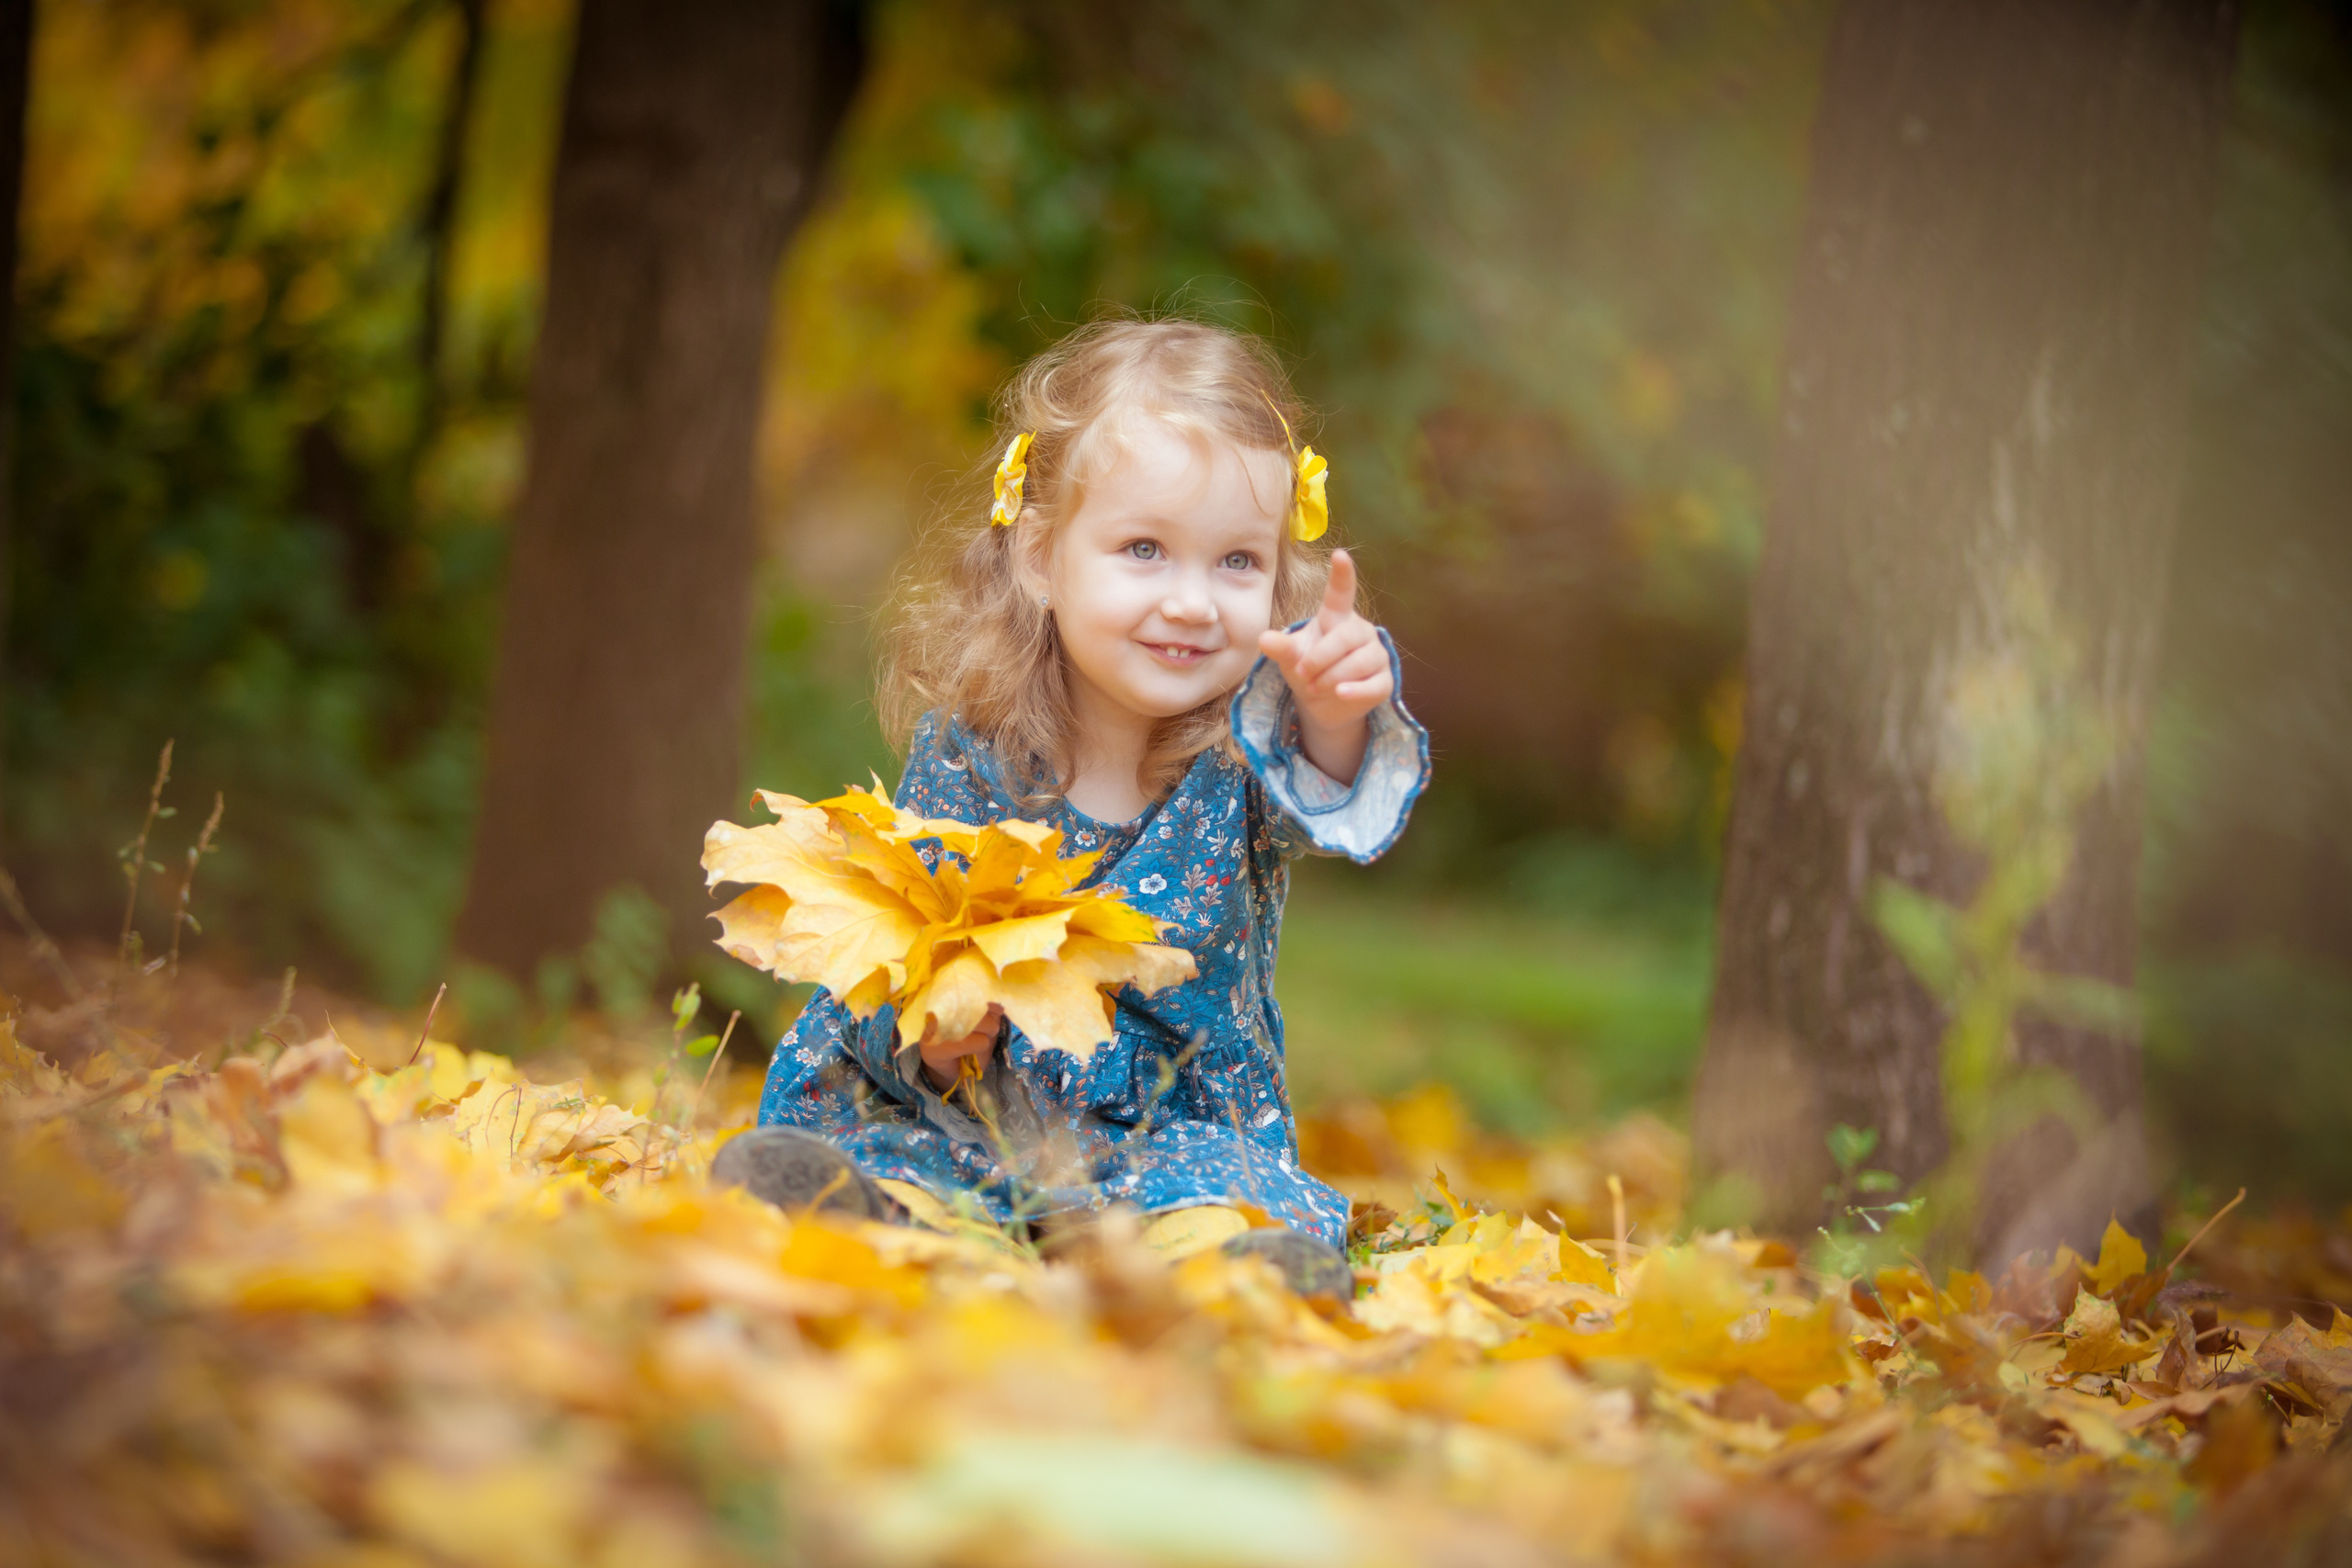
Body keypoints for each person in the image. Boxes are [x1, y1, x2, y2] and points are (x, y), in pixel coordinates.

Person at [714, 318, 1429, 1300]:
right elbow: (896, 958)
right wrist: (932, 1039)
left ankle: (1235, 1280)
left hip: (1176, 1140)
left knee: (1230, 1202)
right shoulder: (971, 756)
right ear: (1043, 558)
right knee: (907, 1160)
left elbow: (1332, 800)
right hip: (977, 1117)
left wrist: (1338, 716)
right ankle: (877, 1221)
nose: (1191, 601)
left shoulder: (1250, 755)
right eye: (1145, 549)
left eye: (1236, 563)